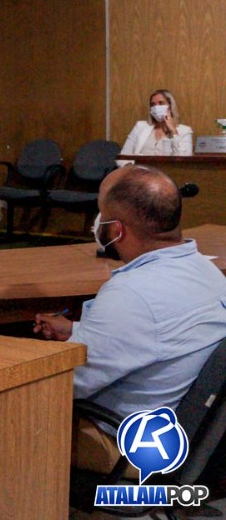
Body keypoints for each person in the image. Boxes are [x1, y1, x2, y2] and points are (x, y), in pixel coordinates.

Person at [34, 165, 226, 474]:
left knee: (10, 410)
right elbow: (159, 334)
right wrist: (77, 330)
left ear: (117, 230)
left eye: (101, 211)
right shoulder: (206, 270)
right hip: (191, 437)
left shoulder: (130, 294)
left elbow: (67, 383)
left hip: (125, 443)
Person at [119, 89, 193, 163]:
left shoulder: (185, 131)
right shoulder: (140, 126)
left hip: (167, 169)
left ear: (170, 107)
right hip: (139, 169)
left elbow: (184, 161)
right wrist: (130, 167)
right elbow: (123, 156)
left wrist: (173, 131)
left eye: (161, 103)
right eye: (153, 105)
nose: (156, 107)